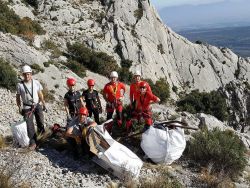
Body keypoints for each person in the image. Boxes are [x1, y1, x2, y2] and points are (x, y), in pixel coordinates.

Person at [16, 65, 47, 150]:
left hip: (37, 105)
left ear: (31, 74)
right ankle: (33, 142)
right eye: (25, 74)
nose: (27, 76)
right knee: (29, 125)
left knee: (40, 122)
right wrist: (19, 107)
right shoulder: (20, 85)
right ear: (23, 75)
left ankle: (42, 139)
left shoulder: (36, 82)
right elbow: (18, 97)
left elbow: (40, 94)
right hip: (26, 107)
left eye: (28, 74)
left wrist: (43, 103)